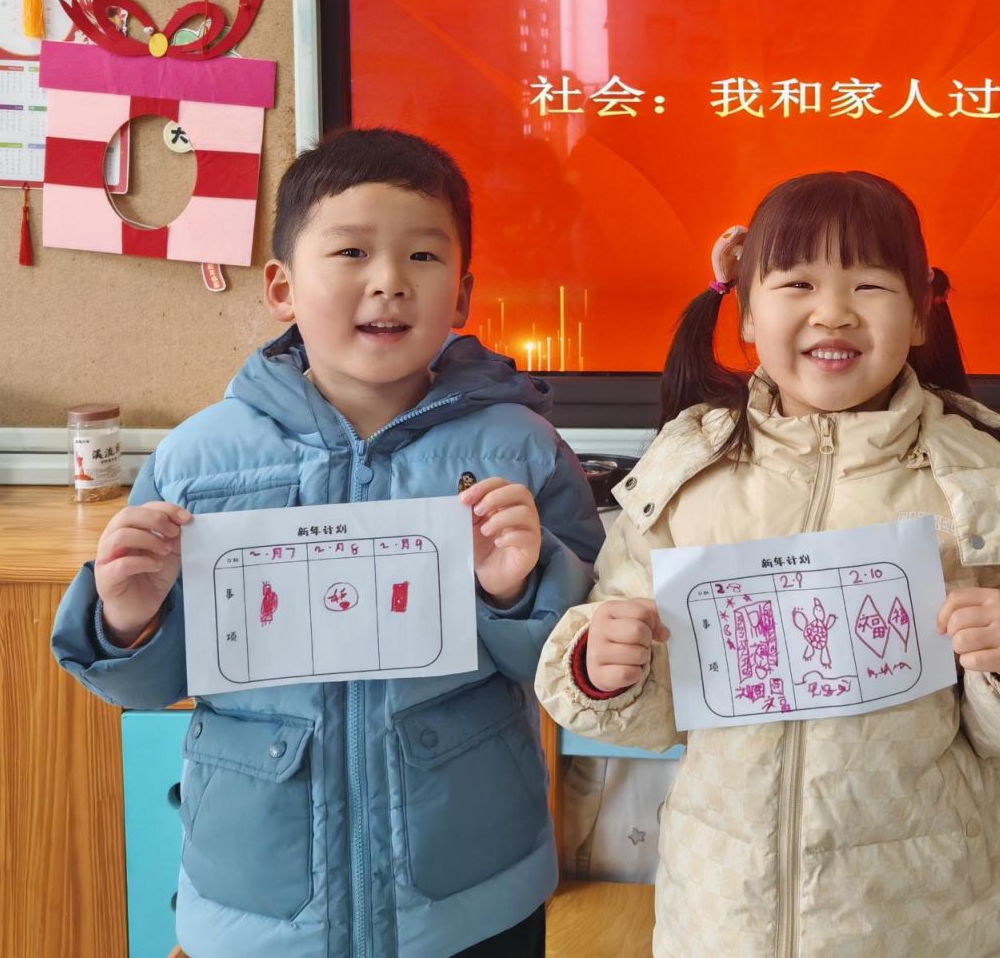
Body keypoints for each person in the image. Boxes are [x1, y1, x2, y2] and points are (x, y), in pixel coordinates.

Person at [51, 128, 604, 958]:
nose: (389, 281)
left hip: (470, 894)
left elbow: (574, 669)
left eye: (423, 256)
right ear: (281, 287)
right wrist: (129, 621)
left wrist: (516, 591)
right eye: (351, 251)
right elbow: (147, 684)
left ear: (461, 296)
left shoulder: (519, 452)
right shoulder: (197, 461)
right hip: (259, 902)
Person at [535, 170, 1000, 957]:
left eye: (869, 284)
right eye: (798, 283)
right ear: (747, 312)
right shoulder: (689, 473)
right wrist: (604, 666)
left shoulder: (975, 479)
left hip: (922, 919)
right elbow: (650, 704)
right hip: (726, 913)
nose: (833, 311)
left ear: (920, 313)